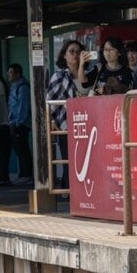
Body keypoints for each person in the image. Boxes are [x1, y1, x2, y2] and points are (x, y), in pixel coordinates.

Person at [46, 40, 92, 189]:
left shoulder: (88, 74)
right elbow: (49, 100)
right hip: (66, 125)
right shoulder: (58, 76)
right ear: (64, 55)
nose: (75, 55)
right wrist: (52, 121)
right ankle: (69, 192)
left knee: (86, 159)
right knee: (69, 160)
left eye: (78, 52)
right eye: (71, 51)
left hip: (87, 125)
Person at [7, 63, 33, 186]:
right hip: (13, 122)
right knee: (19, 149)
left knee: (23, 149)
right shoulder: (14, 86)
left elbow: (23, 105)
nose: (9, 75)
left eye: (11, 72)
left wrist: (18, 122)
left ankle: (27, 174)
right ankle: (23, 173)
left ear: (18, 73)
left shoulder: (22, 87)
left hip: (20, 123)